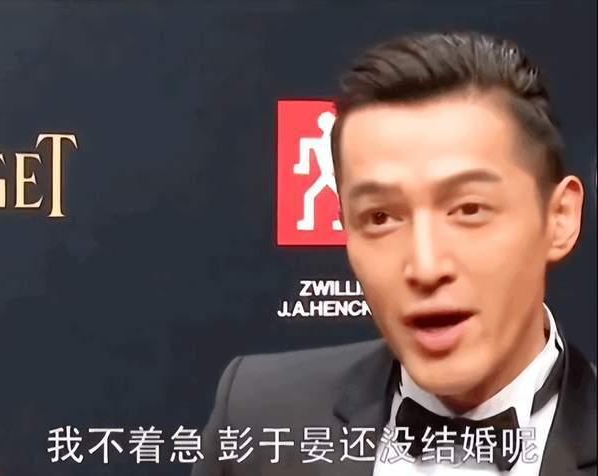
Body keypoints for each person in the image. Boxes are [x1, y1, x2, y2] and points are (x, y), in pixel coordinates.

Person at [191, 31, 596, 476]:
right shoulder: (257, 416)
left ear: (559, 218)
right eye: (381, 217)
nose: (425, 266)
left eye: (469, 209)